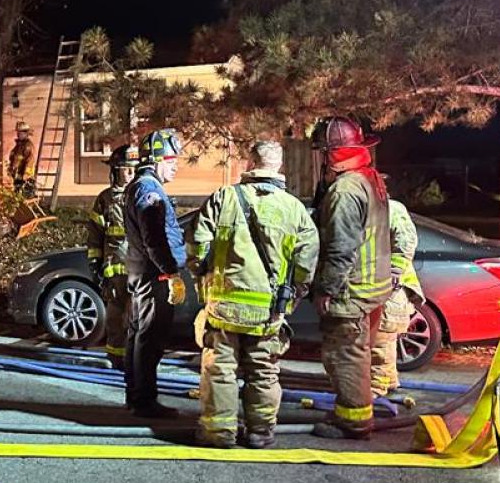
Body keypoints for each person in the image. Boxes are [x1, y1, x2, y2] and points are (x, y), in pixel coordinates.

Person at [190, 141, 319, 448]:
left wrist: (203, 280)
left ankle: (219, 431)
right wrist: (292, 298)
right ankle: (260, 432)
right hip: (268, 312)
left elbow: (198, 245)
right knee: (263, 370)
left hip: (225, 305)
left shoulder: (224, 198)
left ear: (250, 163)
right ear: (278, 167)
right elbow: (307, 262)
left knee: (220, 369)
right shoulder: (295, 209)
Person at [310, 116, 393, 439]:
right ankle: (356, 410)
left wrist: (326, 289)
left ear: (332, 153)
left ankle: (353, 420)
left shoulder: (345, 190)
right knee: (359, 353)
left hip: (351, 291)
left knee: (344, 355)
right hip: (374, 287)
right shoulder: (369, 178)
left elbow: (340, 246)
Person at [122, 128, 187, 419]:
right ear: (156, 159)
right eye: (171, 159)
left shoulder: (139, 186)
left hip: (141, 269)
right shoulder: (149, 190)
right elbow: (155, 238)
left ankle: (136, 396)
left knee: (138, 334)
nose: (176, 165)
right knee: (150, 337)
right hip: (153, 273)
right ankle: (144, 401)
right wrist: (171, 271)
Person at [87, 144, 140, 373]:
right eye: (126, 169)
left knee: (138, 319)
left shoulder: (143, 195)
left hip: (139, 272)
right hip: (115, 273)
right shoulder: (105, 200)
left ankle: (137, 362)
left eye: (134, 169)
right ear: (115, 171)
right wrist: (95, 264)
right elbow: (95, 236)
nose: (130, 174)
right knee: (116, 321)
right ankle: (116, 362)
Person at [372, 196, 424, 398]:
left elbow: (406, 240)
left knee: (380, 339)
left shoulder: (390, 209)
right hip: (390, 289)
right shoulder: (376, 211)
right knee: (385, 339)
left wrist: (393, 273)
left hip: (392, 290)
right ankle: (390, 380)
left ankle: (377, 386)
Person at [8, 121, 36, 197]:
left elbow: (30, 161)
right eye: (18, 132)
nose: (18, 134)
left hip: (25, 179)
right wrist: (11, 169)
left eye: (20, 133)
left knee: (24, 198)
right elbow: (14, 158)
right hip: (17, 176)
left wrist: (26, 174)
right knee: (16, 198)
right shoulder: (19, 145)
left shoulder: (28, 146)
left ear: (26, 134)